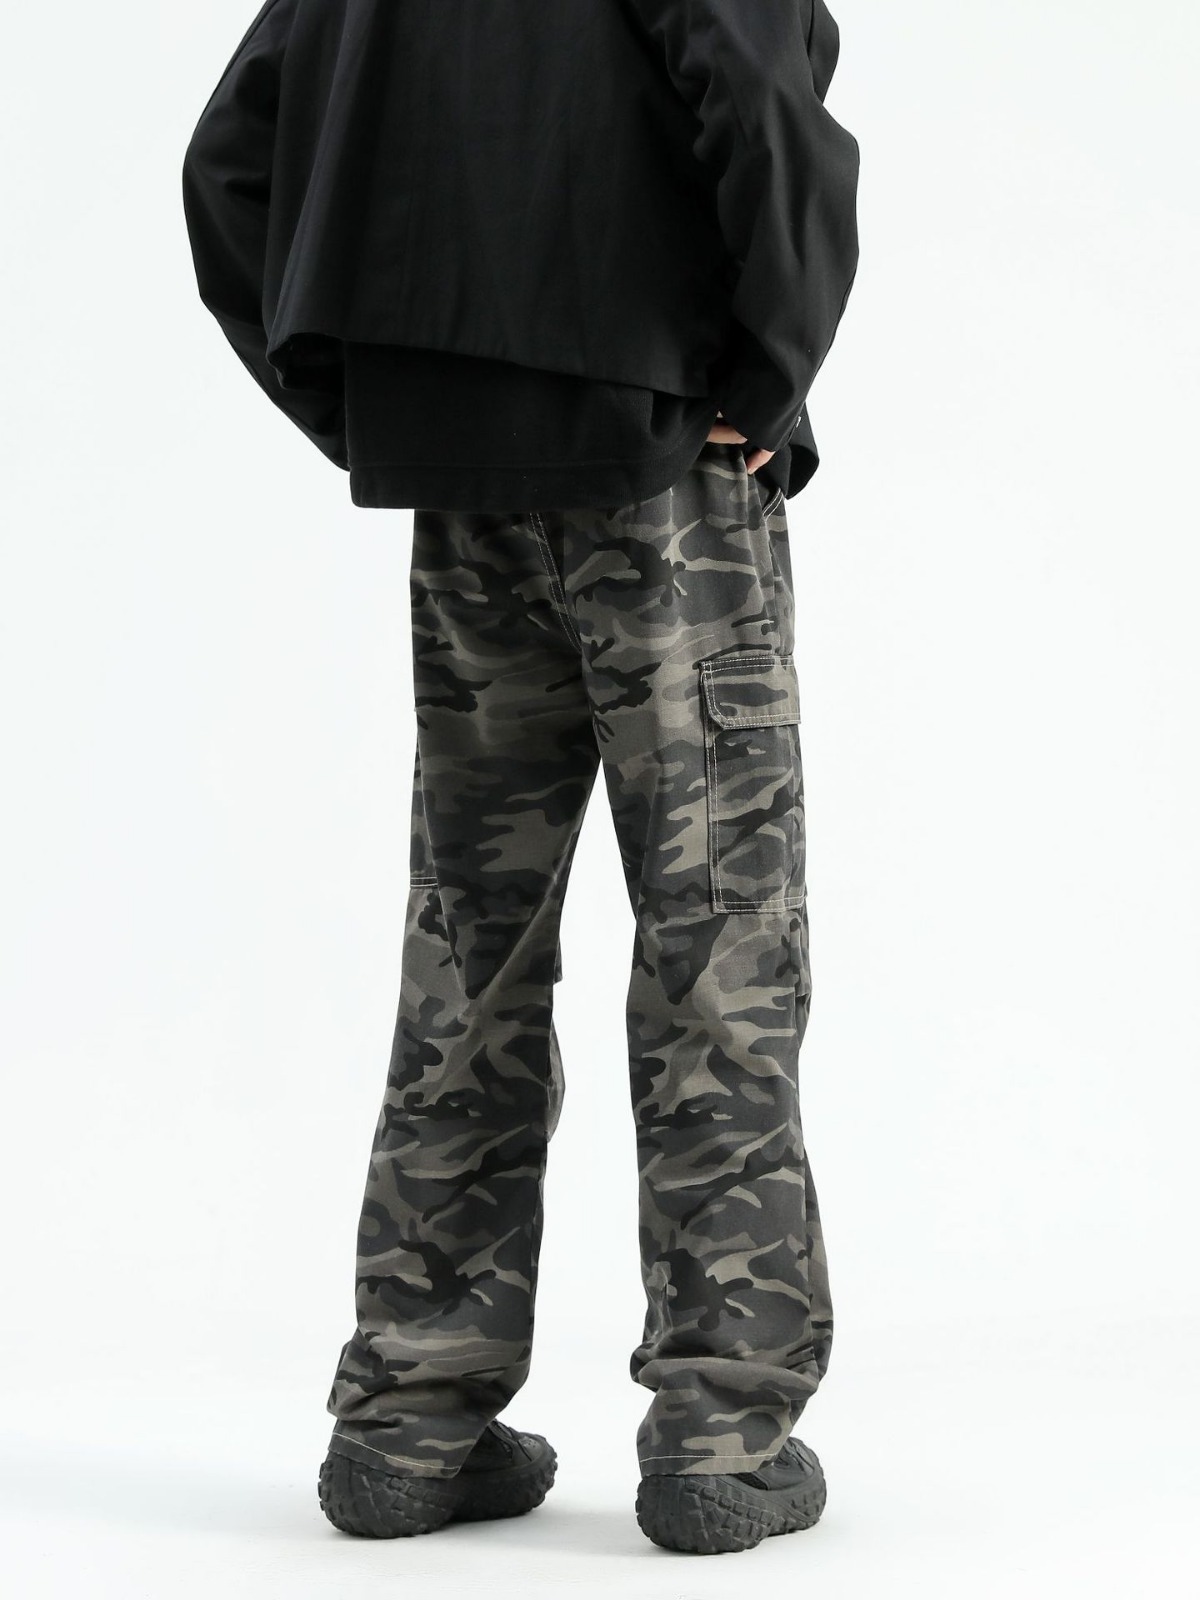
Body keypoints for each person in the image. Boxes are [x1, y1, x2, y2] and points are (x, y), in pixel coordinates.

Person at [182, 0, 860, 1558]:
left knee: (469, 944)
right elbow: (761, 98)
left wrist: (368, 405)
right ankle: (721, 1431)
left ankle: (409, 1419)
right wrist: (764, 380)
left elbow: (227, 167)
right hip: (665, 464)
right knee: (719, 940)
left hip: (464, 474)